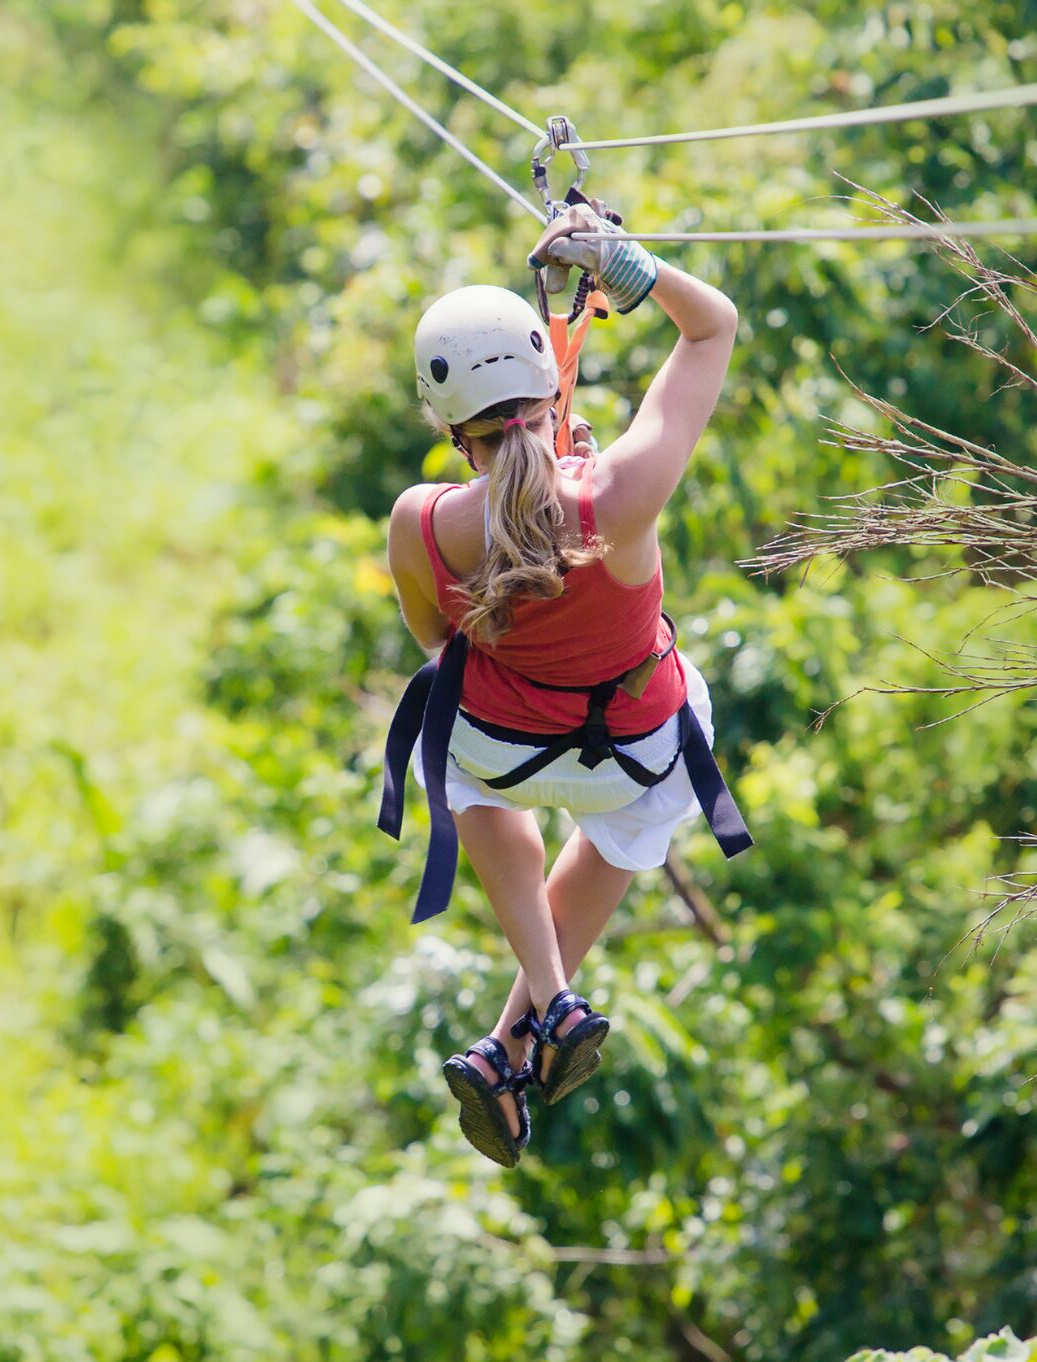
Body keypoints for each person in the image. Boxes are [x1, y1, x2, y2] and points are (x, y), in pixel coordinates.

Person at [380, 201, 749, 1166]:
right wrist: (630, 268)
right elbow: (715, 326)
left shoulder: (419, 524)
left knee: (449, 740)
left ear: (450, 428)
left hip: (504, 749)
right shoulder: (620, 495)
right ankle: (530, 1022)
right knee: (632, 814)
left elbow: (437, 640)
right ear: (554, 386)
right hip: (634, 749)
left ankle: (538, 1015)